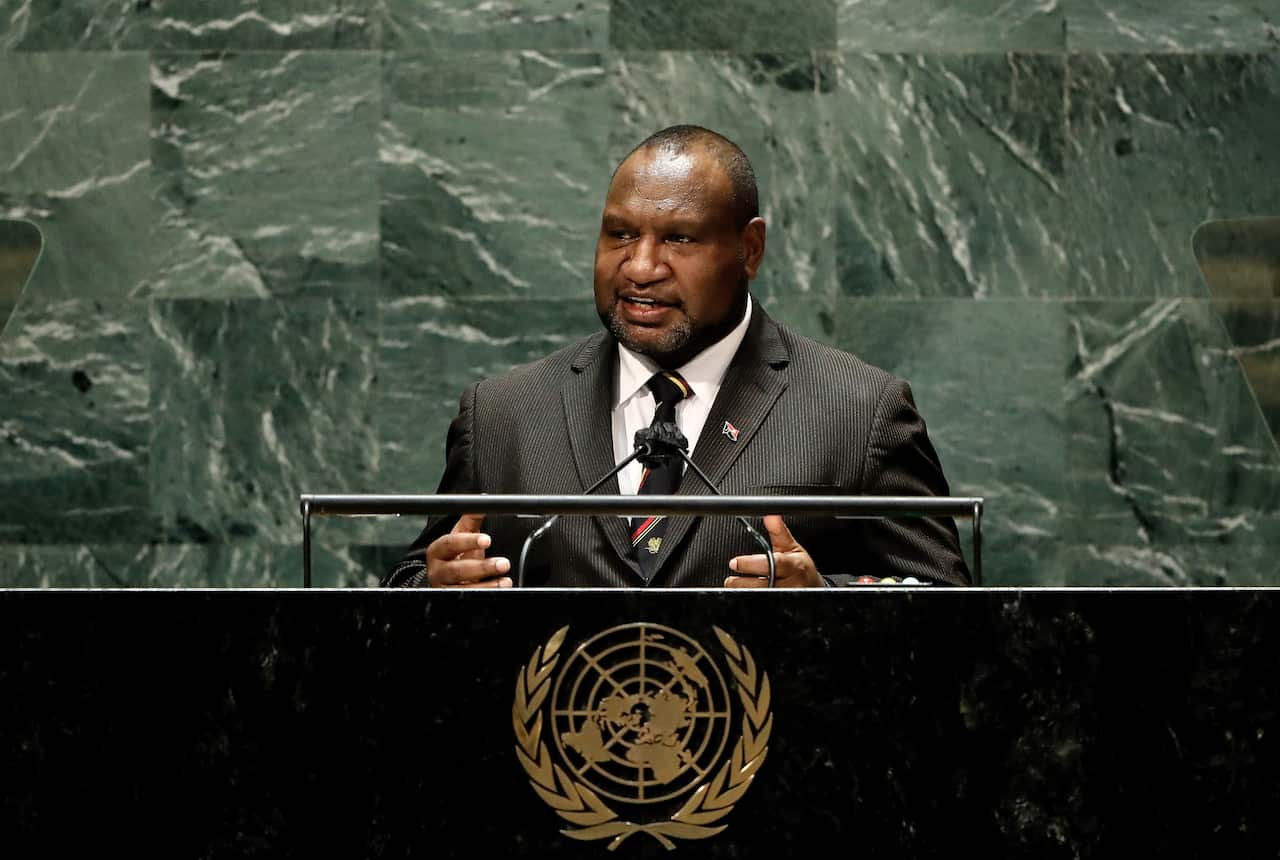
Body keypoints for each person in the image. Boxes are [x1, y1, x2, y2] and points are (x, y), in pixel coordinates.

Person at [384, 125, 970, 588]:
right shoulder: (503, 413)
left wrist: (825, 601)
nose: (640, 267)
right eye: (619, 235)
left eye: (678, 239)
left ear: (749, 249)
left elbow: (949, 607)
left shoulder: (861, 410)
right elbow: (408, 585)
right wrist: (432, 588)